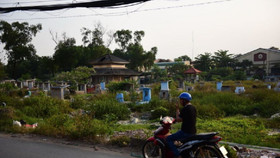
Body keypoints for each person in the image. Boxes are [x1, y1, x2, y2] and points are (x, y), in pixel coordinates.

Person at [166, 92, 197, 158]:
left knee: (169, 138)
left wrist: (177, 109)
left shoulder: (185, 109)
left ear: (184, 100)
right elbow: (185, 118)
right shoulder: (193, 108)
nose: (180, 102)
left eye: (181, 100)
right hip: (193, 131)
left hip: (186, 132)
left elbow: (178, 119)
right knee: (177, 134)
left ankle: (178, 155)